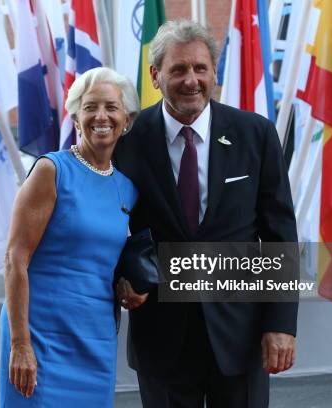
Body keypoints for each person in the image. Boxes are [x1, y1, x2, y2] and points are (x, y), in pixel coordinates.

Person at [114, 19, 299, 408]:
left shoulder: (256, 134)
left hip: (241, 336)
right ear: (155, 75)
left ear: (215, 73)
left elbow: (280, 235)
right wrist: (121, 278)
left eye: (201, 68)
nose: (191, 80)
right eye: (178, 69)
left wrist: (280, 325)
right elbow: (108, 227)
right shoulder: (126, 142)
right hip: (161, 337)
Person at [0, 67, 143, 407]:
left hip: (95, 339)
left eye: (111, 107)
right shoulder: (52, 171)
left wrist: (128, 284)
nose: (101, 116)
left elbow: (105, 257)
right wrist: (20, 343)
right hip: (40, 335)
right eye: (90, 107)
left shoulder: (127, 189)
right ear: (76, 117)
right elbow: (14, 259)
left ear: (127, 119)